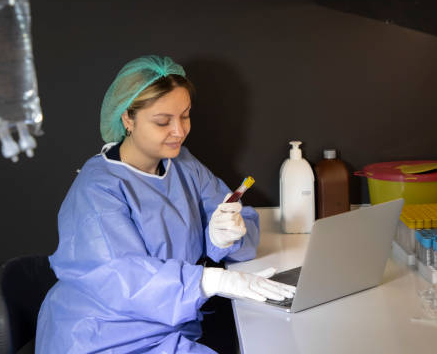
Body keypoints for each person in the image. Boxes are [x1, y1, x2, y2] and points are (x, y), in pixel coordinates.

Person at [35, 55, 295, 353]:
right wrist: (211, 279)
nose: (179, 131)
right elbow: (125, 279)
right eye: (163, 121)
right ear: (127, 119)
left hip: (173, 328)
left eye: (185, 115)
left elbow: (238, 220)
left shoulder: (183, 163)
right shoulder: (97, 189)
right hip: (103, 335)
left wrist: (224, 236)